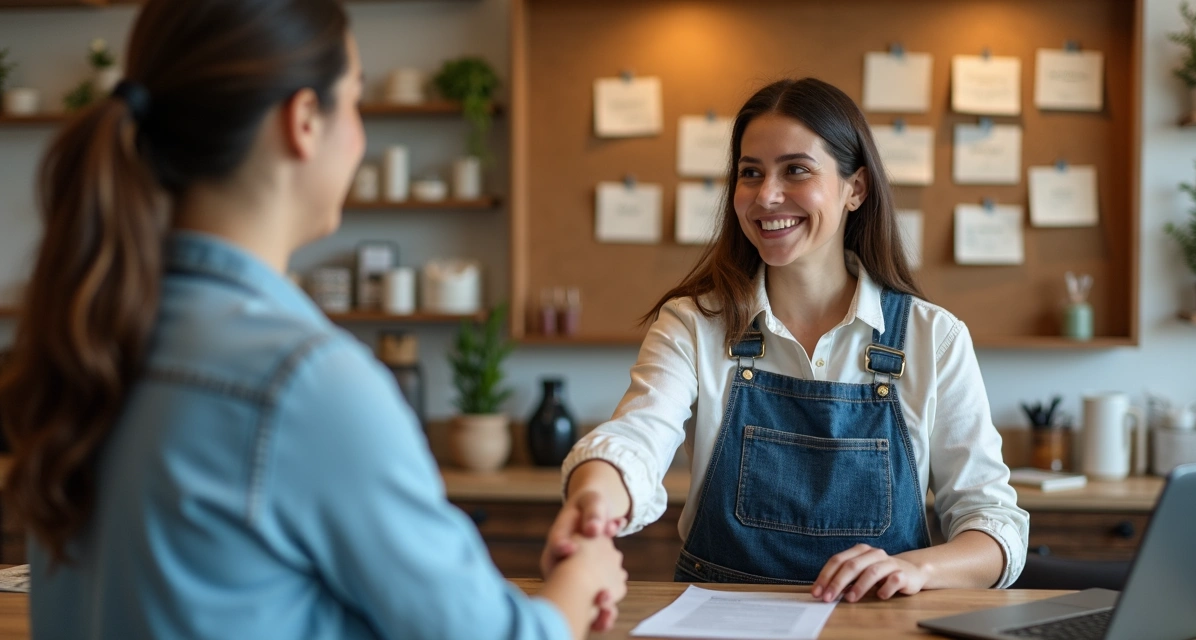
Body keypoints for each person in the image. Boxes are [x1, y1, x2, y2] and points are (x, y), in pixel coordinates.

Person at [0, 1, 625, 638]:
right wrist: (581, 581)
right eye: (353, 101)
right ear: (303, 121)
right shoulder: (305, 383)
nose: (359, 135)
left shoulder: (88, 339)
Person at [545, 78, 1029, 603]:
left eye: (796, 170)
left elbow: (994, 526)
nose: (767, 195)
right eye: (750, 172)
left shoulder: (933, 338)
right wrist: (594, 498)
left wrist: (916, 569)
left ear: (856, 189)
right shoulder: (693, 322)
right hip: (722, 626)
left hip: (878, 627)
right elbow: (637, 439)